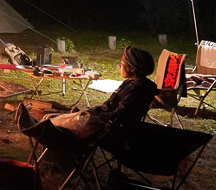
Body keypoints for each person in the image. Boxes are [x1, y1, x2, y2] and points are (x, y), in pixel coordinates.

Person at [16, 45, 158, 143]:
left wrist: (93, 114)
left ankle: (33, 126)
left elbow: (118, 115)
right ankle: (38, 128)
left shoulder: (137, 89)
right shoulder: (132, 84)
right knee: (53, 116)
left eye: (122, 63)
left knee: (50, 121)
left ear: (132, 68)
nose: (120, 66)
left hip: (102, 128)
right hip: (99, 121)